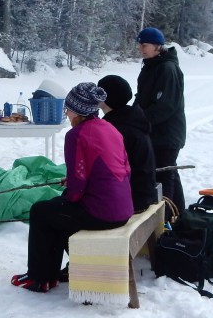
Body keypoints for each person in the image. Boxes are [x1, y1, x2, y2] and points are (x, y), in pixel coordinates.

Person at [11, 83, 133, 293]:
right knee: (56, 209)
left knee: (41, 211)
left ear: (78, 111)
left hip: (102, 213)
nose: (66, 113)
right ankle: (49, 275)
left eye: (68, 109)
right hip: (123, 208)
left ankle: (39, 278)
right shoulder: (110, 128)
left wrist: (71, 193)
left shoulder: (77, 134)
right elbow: (123, 169)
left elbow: (77, 182)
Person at [134, 27, 186, 218]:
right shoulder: (150, 66)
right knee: (169, 171)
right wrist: (131, 115)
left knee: (164, 174)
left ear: (157, 46)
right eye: (139, 44)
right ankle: (179, 215)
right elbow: (142, 97)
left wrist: (139, 121)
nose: (141, 48)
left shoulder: (167, 68)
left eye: (144, 45)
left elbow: (166, 106)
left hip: (167, 134)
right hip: (154, 133)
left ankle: (167, 221)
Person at [98, 75, 158, 213]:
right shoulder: (131, 118)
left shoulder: (116, 129)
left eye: (99, 92)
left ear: (106, 98)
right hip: (143, 194)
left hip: (131, 198)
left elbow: (107, 172)